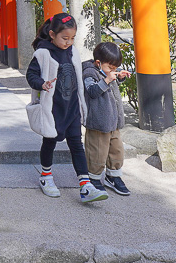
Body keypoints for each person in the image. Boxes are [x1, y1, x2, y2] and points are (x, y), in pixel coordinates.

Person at [25, 14, 108, 203]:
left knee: (76, 145)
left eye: (72, 38)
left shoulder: (72, 51)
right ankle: (46, 176)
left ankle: (85, 185)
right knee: (49, 142)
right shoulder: (42, 53)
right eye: (65, 38)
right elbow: (31, 75)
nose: (69, 42)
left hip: (72, 108)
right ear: (52, 34)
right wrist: (42, 83)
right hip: (53, 109)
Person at [82, 41, 132, 196]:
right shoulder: (89, 73)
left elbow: (111, 76)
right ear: (98, 63)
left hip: (113, 121)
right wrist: (107, 80)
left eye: (116, 68)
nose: (113, 71)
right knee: (97, 151)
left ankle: (113, 175)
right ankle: (93, 177)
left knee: (116, 150)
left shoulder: (107, 71)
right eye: (111, 67)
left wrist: (119, 76)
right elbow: (92, 91)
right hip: (98, 122)